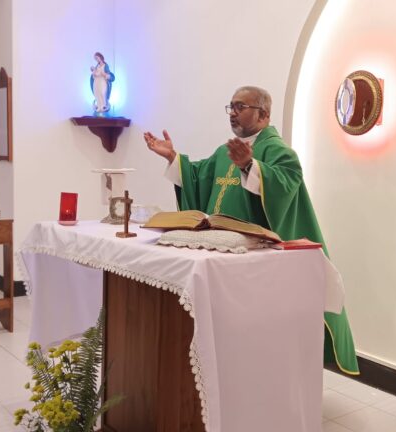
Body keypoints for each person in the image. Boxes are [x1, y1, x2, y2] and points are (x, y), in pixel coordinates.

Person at [144, 86, 359, 375]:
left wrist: (250, 166)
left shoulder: (278, 151)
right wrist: (173, 158)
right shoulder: (225, 151)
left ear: (264, 114)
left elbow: (285, 183)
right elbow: (197, 178)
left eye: (240, 107)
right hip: (221, 253)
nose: (232, 113)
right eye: (230, 106)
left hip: (255, 263)